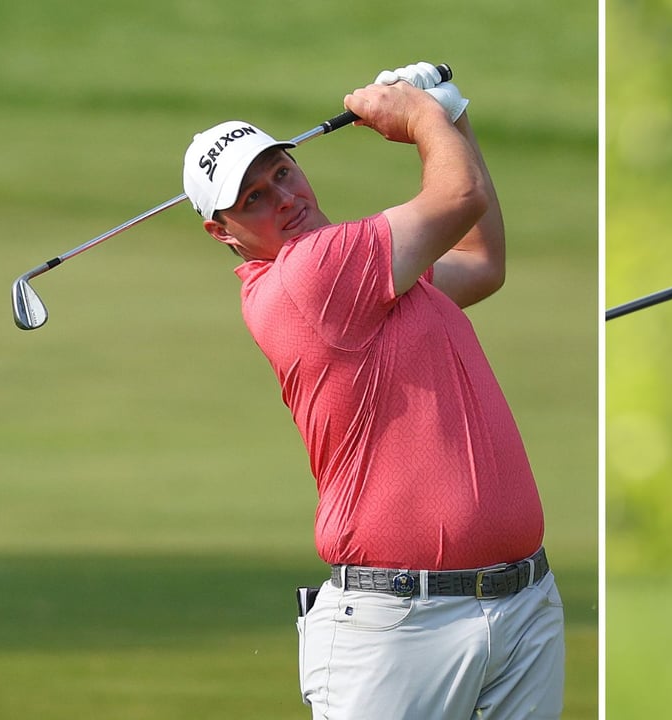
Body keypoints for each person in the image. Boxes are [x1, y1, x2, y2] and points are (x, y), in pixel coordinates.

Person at [180, 62, 565, 718]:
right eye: (253, 200)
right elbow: (458, 199)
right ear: (223, 233)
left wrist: (451, 110)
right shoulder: (308, 276)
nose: (284, 197)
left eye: (281, 171)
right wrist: (419, 117)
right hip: (399, 631)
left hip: (522, 606)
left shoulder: (366, 273)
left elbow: (482, 262)